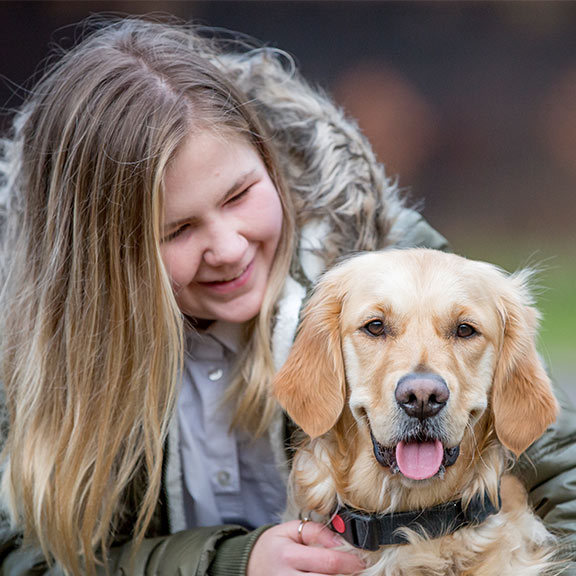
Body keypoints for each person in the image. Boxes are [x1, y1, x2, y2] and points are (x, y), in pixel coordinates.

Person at [0, 15, 574, 576]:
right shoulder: (29, 349)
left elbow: (561, 468)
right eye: (176, 230)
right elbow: (18, 555)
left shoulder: (380, 252)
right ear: (107, 253)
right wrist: (231, 563)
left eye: (239, 194)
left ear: (269, 162)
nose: (227, 247)